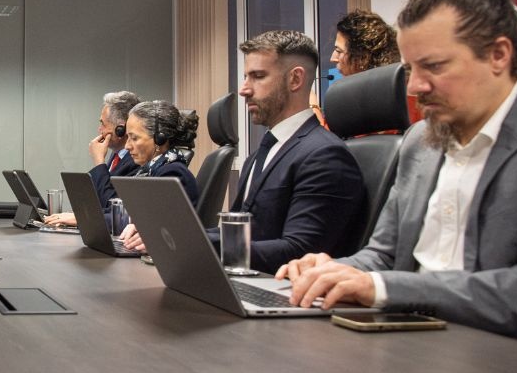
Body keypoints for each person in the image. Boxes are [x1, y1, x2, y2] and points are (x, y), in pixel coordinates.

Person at [276, 0, 517, 345]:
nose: (414, 87)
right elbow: (383, 256)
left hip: (508, 357)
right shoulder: (419, 141)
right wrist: (334, 272)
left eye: (433, 66)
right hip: (410, 340)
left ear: (498, 55)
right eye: (410, 70)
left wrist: (383, 288)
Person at [123, 31, 365, 272]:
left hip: (280, 289)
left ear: (295, 79)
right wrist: (169, 237)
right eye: (245, 77)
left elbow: (299, 251)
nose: (244, 89)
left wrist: (189, 244)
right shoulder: (259, 155)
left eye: (258, 76)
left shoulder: (324, 155)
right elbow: (235, 235)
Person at [45, 91, 141, 228]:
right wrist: (77, 216)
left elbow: (114, 208)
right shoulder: (116, 155)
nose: (99, 129)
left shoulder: (136, 160)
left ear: (121, 129)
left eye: (103, 124)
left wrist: (99, 162)